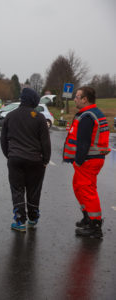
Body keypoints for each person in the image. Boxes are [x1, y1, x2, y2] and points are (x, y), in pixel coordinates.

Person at [0, 87, 51, 232]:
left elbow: (3, 139)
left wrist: (9, 155)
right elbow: (45, 142)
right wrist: (46, 160)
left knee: (17, 190)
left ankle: (19, 220)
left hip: (15, 159)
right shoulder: (39, 117)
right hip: (35, 161)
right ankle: (33, 217)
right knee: (34, 190)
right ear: (34, 100)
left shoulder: (10, 116)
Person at [63, 86, 110, 239]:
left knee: (87, 190)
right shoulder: (92, 113)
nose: (74, 99)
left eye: (77, 96)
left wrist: (78, 161)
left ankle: (95, 226)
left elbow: (83, 143)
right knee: (79, 186)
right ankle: (88, 217)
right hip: (92, 159)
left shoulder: (88, 116)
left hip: (88, 160)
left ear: (85, 99)